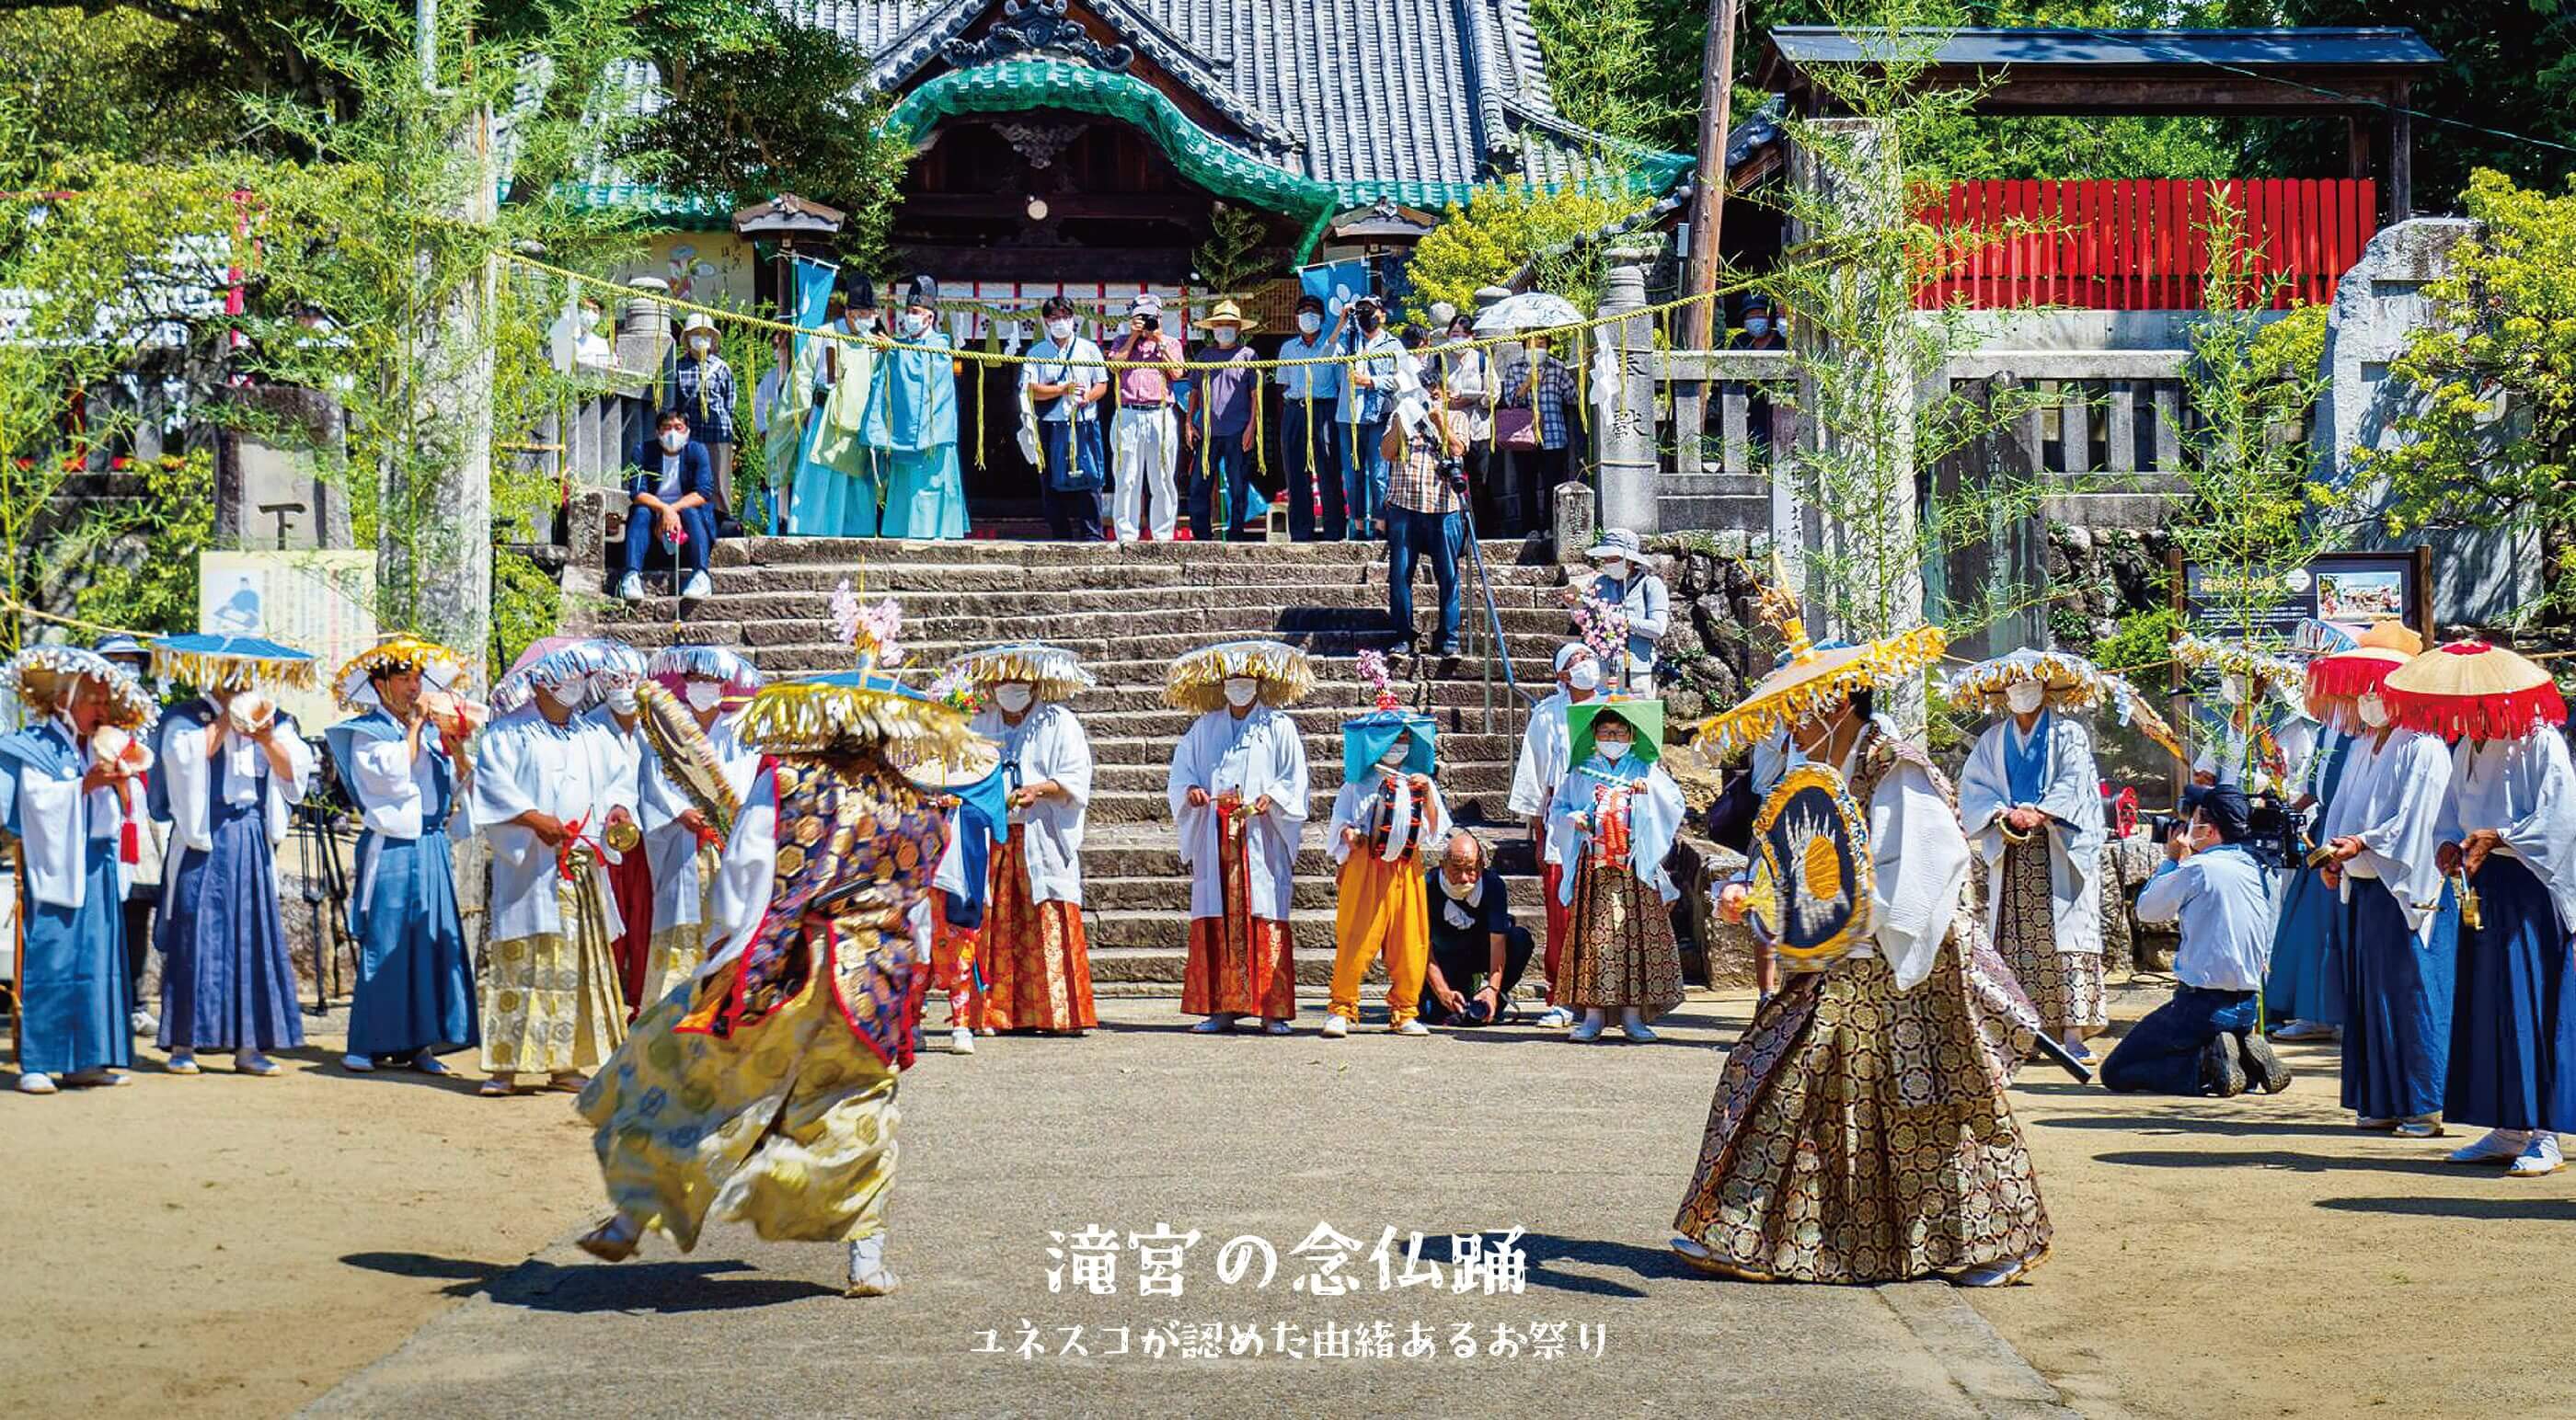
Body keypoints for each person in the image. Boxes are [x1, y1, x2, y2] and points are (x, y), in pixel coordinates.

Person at [576, 643, 967, 1297]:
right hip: (873, 977)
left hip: (786, 966)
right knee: (860, 1109)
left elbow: (744, 875)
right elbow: (928, 902)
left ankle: (631, 1215)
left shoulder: (786, 784)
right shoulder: (925, 808)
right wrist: (911, 969)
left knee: (706, 1079)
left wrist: (726, 951)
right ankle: (864, 1258)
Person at [1674, 607, 2050, 1288]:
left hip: (1908, 971)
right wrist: (1756, 897)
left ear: (1840, 699)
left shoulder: (1893, 768)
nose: (1790, 720)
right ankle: (1745, 1234)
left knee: (1928, 1107)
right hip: (1833, 967)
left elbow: (1932, 870)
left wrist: (1852, 921)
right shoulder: (1813, 774)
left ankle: (1995, 1240)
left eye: (1800, 705)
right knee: (1775, 1083)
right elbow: (1792, 865)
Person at [2388, 642, 2576, 1176]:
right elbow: (2449, 814)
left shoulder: (2540, 740)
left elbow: (2562, 820)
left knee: (2531, 1004)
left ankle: (2545, 1132)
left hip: (2531, 889)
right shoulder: (2468, 744)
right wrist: (2449, 844)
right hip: (2485, 883)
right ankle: (2508, 1125)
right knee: (2491, 1003)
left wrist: (2499, 837)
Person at [147, 635, 317, 1078]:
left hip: (249, 836)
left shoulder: (274, 719)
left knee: (250, 938)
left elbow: (292, 772)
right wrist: (226, 720)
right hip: (203, 837)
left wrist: (262, 736)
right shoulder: (186, 717)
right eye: (230, 670)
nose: (239, 679)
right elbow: (184, 761)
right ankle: (184, 1043)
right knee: (195, 934)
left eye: (245, 670)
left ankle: (248, 1046)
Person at [471, 644, 633, 1096]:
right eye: (568, 677)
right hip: (532, 865)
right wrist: (532, 819)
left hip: (578, 861)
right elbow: (493, 787)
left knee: (573, 964)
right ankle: (505, 1066)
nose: (576, 686)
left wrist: (618, 809)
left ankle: (565, 1063)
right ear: (542, 682)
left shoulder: (591, 735)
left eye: (581, 677)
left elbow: (618, 779)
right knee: (523, 960)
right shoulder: (507, 733)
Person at [323, 636, 481, 1075]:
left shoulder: (432, 732)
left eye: (416, 679)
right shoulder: (366, 733)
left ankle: (420, 1043)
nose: (414, 687)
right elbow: (391, 778)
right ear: (380, 685)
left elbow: (454, 786)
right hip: (393, 846)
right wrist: (413, 728)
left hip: (430, 843)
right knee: (387, 942)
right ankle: (367, 1041)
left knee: (428, 942)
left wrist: (458, 749)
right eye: (404, 679)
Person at [1, 647, 153, 1094]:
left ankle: (88, 1058)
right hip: (58, 865)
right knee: (54, 958)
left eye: (105, 703)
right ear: (66, 700)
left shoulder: (105, 746)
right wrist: (85, 784)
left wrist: (124, 783)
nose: (102, 711)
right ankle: (38, 1061)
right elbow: (35, 806)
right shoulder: (39, 745)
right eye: (94, 701)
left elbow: (131, 810)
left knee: (100, 961)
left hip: (98, 865)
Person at [1949, 650, 2110, 1067]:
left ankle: (2072, 1032)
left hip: (2056, 845)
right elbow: (1976, 787)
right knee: (2015, 937)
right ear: (2004, 694)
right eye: (2014, 685)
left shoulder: (2069, 734)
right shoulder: (1992, 740)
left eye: (2029, 683)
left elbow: (2076, 781)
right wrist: (2003, 812)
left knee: (2065, 938)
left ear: (2043, 688)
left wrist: (2040, 812)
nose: (2022, 690)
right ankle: (2023, 1030)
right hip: (2014, 849)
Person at [2317, 680, 2457, 1139]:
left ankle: (2425, 1102)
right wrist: (2329, 853)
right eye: (2363, 691)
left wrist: (2363, 843)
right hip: (2363, 880)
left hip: (2405, 884)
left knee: (2410, 991)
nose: (2367, 701)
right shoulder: (2361, 746)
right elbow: (2340, 808)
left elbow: (2417, 817)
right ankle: (2380, 1099)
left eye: (2376, 690)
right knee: (2369, 997)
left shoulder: (2424, 745)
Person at [2271, 624, 2419, 1040]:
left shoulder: (2404, 741)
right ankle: (2313, 1009)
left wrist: (2360, 841)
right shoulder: (2342, 727)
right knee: (2311, 928)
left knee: (2336, 931)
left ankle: (2333, 1013)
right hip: (2333, 839)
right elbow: (2329, 786)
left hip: (2368, 851)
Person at [1166, 640, 1313, 1036]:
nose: (1239, 685)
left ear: (1259, 682)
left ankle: (1271, 1009)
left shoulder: (1279, 726)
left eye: (1246, 679)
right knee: (1218, 916)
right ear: (1222, 683)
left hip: (1260, 834)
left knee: (1264, 913)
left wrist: (1274, 798)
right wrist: (1191, 791)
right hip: (1216, 832)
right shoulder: (1205, 727)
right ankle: (1221, 1007)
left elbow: (1294, 780)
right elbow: (1182, 773)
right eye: (1232, 679)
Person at [2109, 786, 2294, 1095]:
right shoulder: (2259, 869)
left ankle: (2205, 1065)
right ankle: (2241, 1057)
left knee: (2118, 1070)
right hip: (2249, 1003)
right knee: (2192, 1040)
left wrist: (2172, 860)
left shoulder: (2199, 868)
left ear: (2209, 829)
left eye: (2192, 819)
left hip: (2200, 1004)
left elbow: (2148, 910)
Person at [956, 643, 1098, 1035]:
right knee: (995, 917)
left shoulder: (1059, 722)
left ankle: (1055, 1013)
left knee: (1047, 913)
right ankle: (995, 1012)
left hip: (1041, 832)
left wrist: (1042, 789)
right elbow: (964, 772)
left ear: (1035, 683)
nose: (1010, 687)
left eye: (1018, 681)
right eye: (1003, 680)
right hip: (995, 834)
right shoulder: (979, 723)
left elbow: (1075, 775)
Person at [634, 645, 764, 1012]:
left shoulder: (740, 733)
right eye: (696, 680)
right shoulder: (664, 729)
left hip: (727, 842)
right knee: (680, 927)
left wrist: (729, 816)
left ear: (723, 686)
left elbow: (747, 783)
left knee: (728, 925)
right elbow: (653, 782)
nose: (704, 687)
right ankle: (668, 1012)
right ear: (684, 682)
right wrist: (680, 812)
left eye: (712, 681)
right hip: (682, 844)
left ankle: (722, 1009)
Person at [1547, 698, 1685, 1042]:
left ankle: (1633, 1016)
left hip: (1634, 868)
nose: (1613, 736)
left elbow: (1673, 803)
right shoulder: (1581, 770)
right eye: (1607, 731)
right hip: (1594, 868)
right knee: (1595, 937)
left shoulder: (1644, 768)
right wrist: (1572, 817)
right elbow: (1559, 807)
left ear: (1632, 735)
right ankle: (1592, 1015)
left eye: (1621, 731)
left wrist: (1645, 795)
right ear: (1595, 735)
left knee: (1633, 937)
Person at [1322, 707, 1448, 1038]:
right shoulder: (1358, 782)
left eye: (1405, 739)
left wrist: (1428, 795)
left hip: (1407, 866)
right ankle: (1342, 1008)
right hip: (1366, 864)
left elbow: (1436, 831)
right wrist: (1348, 834)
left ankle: (1405, 1010)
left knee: (1410, 939)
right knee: (1355, 937)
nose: (1399, 745)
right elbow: (1341, 823)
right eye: (1393, 739)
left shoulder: (1420, 780)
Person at [1511, 644, 1603, 1027]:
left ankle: (1604, 998)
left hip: (1608, 822)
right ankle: (1561, 996)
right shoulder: (1548, 714)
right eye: (1575, 661)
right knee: (1561, 913)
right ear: (1562, 675)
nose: (1585, 664)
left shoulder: (1615, 707)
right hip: (1563, 825)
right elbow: (1534, 770)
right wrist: (1536, 824)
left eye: (1588, 656)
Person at [91, 632, 165, 1039]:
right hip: (101, 825)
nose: (126, 669)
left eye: (132, 661)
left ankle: (136, 1001)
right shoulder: (86, 717)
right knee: (100, 916)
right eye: (116, 661)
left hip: (142, 828)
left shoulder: (152, 717)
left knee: (137, 915)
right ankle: (101, 999)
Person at [1378, 362, 1469, 660]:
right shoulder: (1400, 416)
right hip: (1404, 506)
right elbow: (1386, 453)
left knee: (1449, 575)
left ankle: (1449, 637)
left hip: (1445, 507)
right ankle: (1403, 636)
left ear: (1444, 394)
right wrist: (1404, 421)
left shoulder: (1456, 417)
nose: (1429, 398)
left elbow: (1458, 450)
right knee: (1400, 573)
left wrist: (1438, 420)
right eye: (1424, 394)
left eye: (1434, 393)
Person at [867, 275, 969, 540]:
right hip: (904, 430)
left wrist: (895, 350)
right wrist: (891, 351)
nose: (909, 317)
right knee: (903, 487)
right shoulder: (902, 343)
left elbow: (923, 375)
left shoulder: (940, 346)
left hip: (932, 433)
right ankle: (900, 533)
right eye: (907, 312)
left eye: (915, 312)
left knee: (932, 485)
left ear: (930, 318)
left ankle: (935, 534)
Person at [789, 282, 886, 537]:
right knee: (819, 484)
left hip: (860, 426)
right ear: (849, 313)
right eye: (862, 315)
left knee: (855, 491)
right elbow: (801, 376)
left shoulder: (873, 344)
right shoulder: (825, 335)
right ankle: (808, 537)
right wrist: (803, 413)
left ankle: (856, 540)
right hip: (825, 418)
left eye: (871, 315)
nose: (867, 320)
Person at [1420, 830, 1535, 1027]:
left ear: (1481, 867)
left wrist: (1493, 988)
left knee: (1519, 939)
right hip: (1444, 957)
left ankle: (1494, 1003)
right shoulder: (1427, 886)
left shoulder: (1492, 886)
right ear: (1442, 866)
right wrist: (1442, 990)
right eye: (1456, 869)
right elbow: (1422, 946)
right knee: (1434, 1013)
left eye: (1470, 870)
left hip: (1481, 951)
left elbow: (1498, 942)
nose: (1464, 878)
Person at [1019, 295, 1109, 542]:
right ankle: (1060, 535)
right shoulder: (1037, 352)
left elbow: (1102, 384)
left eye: (1065, 317)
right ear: (1046, 321)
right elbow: (1029, 389)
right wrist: (1061, 389)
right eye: (1055, 318)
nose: (1061, 322)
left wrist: (1086, 397)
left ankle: (1092, 535)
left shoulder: (1089, 349)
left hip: (1083, 422)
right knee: (1050, 481)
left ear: (1073, 319)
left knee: (1090, 479)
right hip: (1051, 424)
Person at [1182, 298, 1264, 541]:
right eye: (1220, 324)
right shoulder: (1205, 356)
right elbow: (1194, 392)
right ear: (1213, 328)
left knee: (1238, 484)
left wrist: (1253, 426)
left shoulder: (1249, 356)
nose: (1224, 329)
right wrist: (1188, 422)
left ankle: (1237, 532)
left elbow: (1256, 395)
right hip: (1207, 430)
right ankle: (1202, 535)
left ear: (1238, 329)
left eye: (1229, 324)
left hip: (1238, 429)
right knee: (1199, 484)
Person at [1105, 293, 1185, 542]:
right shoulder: (1121, 341)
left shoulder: (1171, 343)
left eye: (1151, 316)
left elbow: (1177, 372)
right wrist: (1133, 336)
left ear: (1160, 317)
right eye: (1141, 316)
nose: (1146, 321)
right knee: (1126, 476)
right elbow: (1115, 367)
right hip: (1128, 413)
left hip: (1160, 413)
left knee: (1162, 476)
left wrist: (1158, 340)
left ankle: (1162, 533)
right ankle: (1126, 534)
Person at [615, 410, 718, 602]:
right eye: (666, 428)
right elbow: (637, 493)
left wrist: (673, 509)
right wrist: (664, 509)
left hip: (687, 517)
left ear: (686, 430)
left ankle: (701, 576)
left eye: (678, 428)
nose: (672, 433)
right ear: (657, 432)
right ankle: (631, 575)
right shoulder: (643, 451)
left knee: (690, 511)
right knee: (641, 512)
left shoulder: (697, 451)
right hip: (655, 516)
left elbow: (703, 492)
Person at [1274, 293, 1345, 542]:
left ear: (1323, 317)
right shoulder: (1288, 348)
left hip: (1325, 409)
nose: (1308, 315)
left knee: (1328, 470)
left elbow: (1340, 386)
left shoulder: (1332, 347)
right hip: (1295, 409)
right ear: (1296, 318)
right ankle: (1301, 531)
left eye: (1313, 311)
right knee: (1295, 472)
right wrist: (1287, 420)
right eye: (1303, 311)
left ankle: (1334, 531)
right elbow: (1281, 385)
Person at [1564, 530, 1670, 693]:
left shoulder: (1650, 585)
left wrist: (1620, 620)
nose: (1607, 563)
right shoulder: (1600, 583)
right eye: (1605, 559)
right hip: (1602, 671)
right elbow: (1586, 621)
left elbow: (1658, 629)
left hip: (1636, 672)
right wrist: (1574, 604)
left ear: (1629, 561)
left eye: (1613, 559)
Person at [1336, 298, 1405, 540]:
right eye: (1361, 312)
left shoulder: (1393, 344)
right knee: (1352, 473)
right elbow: (1328, 354)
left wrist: (1372, 381)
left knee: (1378, 473)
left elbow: (1402, 378)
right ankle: (1356, 526)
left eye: (1370, 311)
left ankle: (1380, 525)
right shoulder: (1349, 339)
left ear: (1382, 315)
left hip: (1378, 414)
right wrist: (1342, 323)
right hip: (1348, 415)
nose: (1366, 316)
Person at [663, 313, 740, 532]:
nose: (701, 339)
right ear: (687, 339)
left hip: (718, 432)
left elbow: (729, 402)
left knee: (719, 478)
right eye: (696, 334)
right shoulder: (678, 368)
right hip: (691, 433)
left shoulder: (722, 368)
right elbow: (674, 403)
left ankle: (722, 519)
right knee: (691, 478)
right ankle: (692, 518)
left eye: (706, 335)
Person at [1499, 332, 1578, 531]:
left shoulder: (1557, 367)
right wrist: (1527, 384)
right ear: (1524, 346)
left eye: (1541, 343)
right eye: (1531, 343)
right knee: (1526, 486)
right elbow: (1509, 402)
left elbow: (1573, 397)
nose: (1536, 347)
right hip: (1524, 436)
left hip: (1553, 434)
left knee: (1554, 485)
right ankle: (1530, 529)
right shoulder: (1514, 368)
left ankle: (1552, 528)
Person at [1426, 312, 1497, 530]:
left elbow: (1494, 394)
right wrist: (1444, 397)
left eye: (1464, 334)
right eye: (1455, 333)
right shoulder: (1438, 359)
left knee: (1480, 482)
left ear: (1471, 336)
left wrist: (1474, 396)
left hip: (1477, 426)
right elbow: (1429, 389)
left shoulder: (1482, 359)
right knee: (1449, 479)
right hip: (1449, 427)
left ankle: (1481, 530)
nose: (1459, 338)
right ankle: (1450, 528)